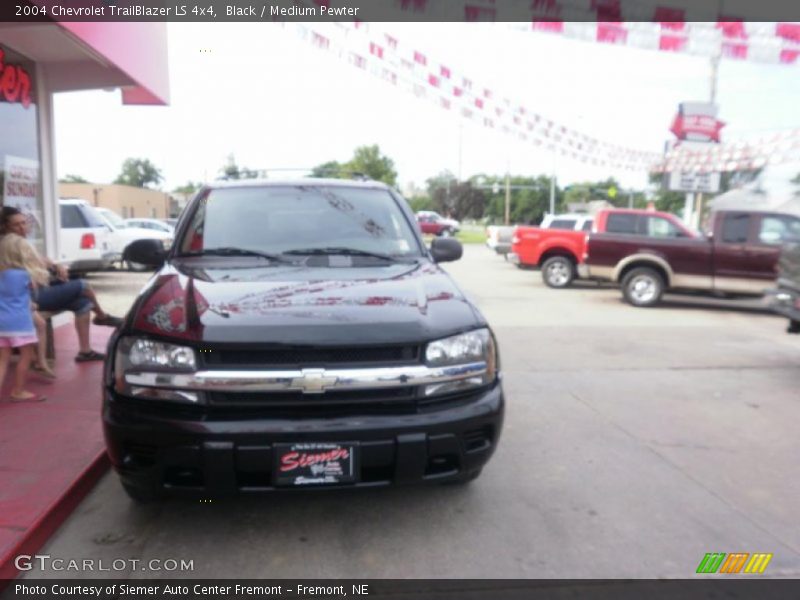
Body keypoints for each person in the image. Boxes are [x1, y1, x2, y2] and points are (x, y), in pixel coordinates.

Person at [1, 206, 121, 362]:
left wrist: (56, 266)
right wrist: (48, 270)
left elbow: (41, 260)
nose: (22, 227)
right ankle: (101, 316)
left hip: (35, 292)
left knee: (82, 302)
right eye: (16, 225)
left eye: (24, 223)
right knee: (83, 285)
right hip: (26, 299)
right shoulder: (6, 246)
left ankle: (85, 351)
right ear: (5, 227)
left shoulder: (21, 242)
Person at [0, 234, 49, 402]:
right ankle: (18, 391)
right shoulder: (24, 275)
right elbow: (36, 287)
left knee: (3, 359)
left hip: (2, 323)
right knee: (26, 355)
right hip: (20, 323)